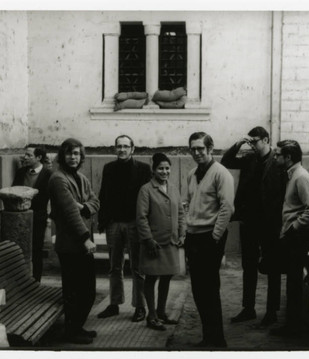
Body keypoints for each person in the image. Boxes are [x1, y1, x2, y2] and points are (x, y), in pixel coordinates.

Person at [221, 127, 287, 326]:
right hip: (249, 221)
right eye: (250, 142)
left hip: (269, 222)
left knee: (273, 267)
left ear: (266, 139)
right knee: (248, 266)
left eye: (255, 141)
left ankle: (271, 311)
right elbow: (226, 161)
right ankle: (248, 308)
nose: (252, 145)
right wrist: (239, 143)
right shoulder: (249, 159)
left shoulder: (278, 160)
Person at [184, 132, 235, 348]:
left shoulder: (221, 174)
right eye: (193, 149)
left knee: (209, 290)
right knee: (198, 290)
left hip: (209, 238)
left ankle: (217, 340)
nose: (197, 153)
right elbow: (188, 203)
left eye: (201, 149)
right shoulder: (192, 173)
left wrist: (215, 236)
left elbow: (227, 208)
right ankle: (208, 337)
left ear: (210, 149)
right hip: (193, 237)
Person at [48, 138, 100, 344]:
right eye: (69, 153)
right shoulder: (58, 179)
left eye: (77, 153)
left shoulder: (80, 177)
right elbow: (70, 212)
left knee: (87, 290)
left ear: (81, 157)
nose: (73, 157)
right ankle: (71, 331)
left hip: (82, 244)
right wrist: (85, 239)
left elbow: (96, 201)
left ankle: (77, 326)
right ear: (63, 156)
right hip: (71, 245)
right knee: (75, 290)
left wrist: (85, 207)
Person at [97, 135, 152, 322]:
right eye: (118, 146)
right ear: (115, 149)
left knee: (137, 267)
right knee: (114, 266)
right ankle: (114, 304)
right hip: (113, 224)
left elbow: (148, 198)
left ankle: (140, 307)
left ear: (132, 149)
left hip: (135, 223)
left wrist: (145, 224)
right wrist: (103, 221)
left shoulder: (144, 169)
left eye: (125, 146)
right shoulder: (109, 168)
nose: (122, 149)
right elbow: (103, 194)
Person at [271, 139, 309, 337]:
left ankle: (294, 326)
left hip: (299, 234)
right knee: (290, 276)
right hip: (294, 233)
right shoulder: (293, 174)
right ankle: (308, 261)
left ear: (288, 157)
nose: (275, 157)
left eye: (277, 154)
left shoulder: (300, 177)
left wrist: (294, 228)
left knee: (293, 282)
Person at [136, 153, 186, 331]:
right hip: (154, 244)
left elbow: (180, 213)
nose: (164, 171)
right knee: (151, 279)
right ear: (154, 170)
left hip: (171, 242)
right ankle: (151, 315)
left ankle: (161, 312)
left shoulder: (173, 188)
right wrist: (148, 240)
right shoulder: (146, 190)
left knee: (166, 278)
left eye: (167, 168)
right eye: (160, 168)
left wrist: (182, 233)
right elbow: (141, 218)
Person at [12, 145, 52, 282]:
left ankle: (36, 280)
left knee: (37, 249)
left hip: (38, 217)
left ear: (39, 157)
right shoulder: (21, 172)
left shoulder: (48, 174)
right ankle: (21, 280)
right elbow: (14, 189)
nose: (25, 157)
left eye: (29, 155)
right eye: (25, 154)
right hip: (21, 216)